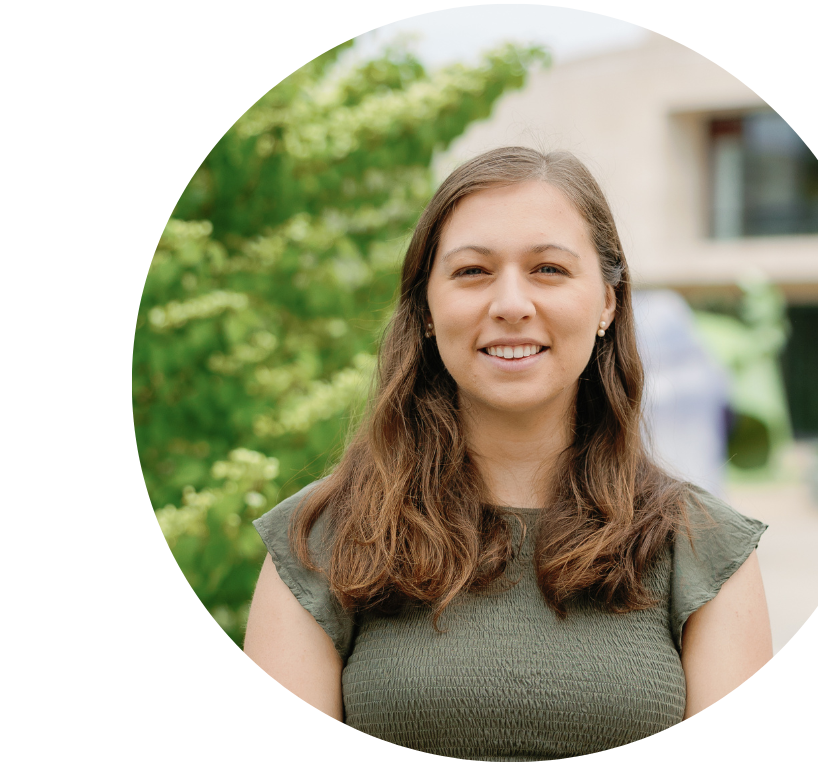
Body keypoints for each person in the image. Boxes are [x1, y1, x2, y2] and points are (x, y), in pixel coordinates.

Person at [243, 147, 772, 754]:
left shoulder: (707, 551)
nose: (512, 304)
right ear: (426, 309)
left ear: (607, 301)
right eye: (473, 271)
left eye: (549, 269)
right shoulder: (314, 543)